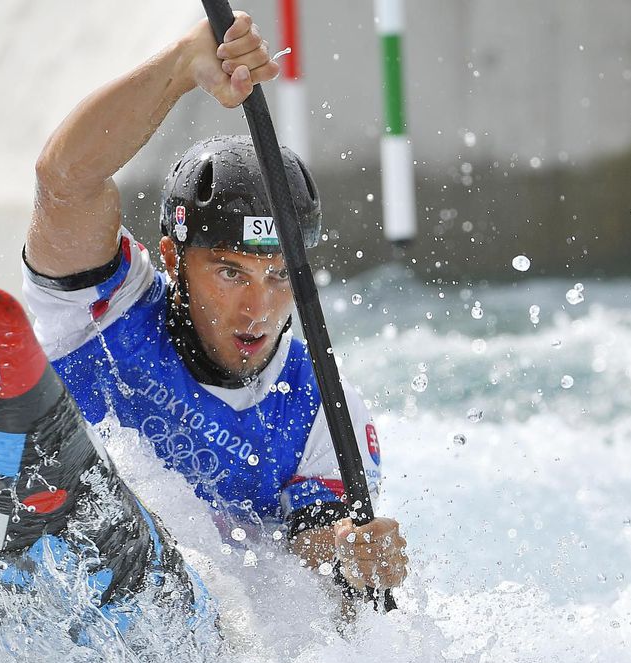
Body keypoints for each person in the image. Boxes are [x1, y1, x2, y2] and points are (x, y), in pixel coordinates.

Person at [21, 11, 407, 595]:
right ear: (173, 259)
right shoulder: (103, 310)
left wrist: (349, 554)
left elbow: (312, 556)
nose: (258, 309)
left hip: (213, 623)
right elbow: (65, 179)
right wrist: (180, 69)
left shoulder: (322, 410)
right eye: (231, 272)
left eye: (280, 277)